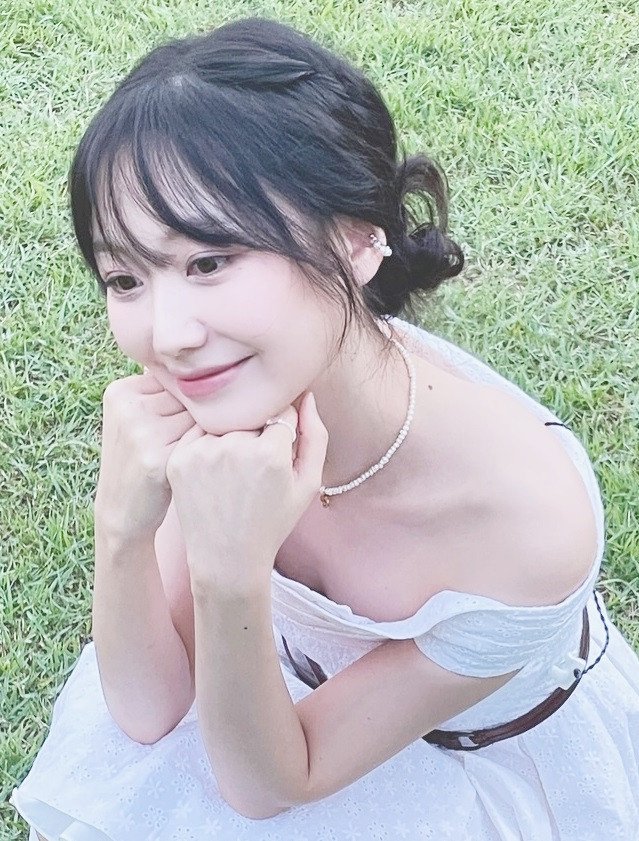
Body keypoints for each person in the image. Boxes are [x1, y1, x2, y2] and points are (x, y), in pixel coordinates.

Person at [10, 16, 639, 841]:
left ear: (356, 238)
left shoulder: (522, 521)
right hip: (260, 706)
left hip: (466, 762)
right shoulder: (235, 395)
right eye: (124, 278)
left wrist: (231, 570)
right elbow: (145, 708)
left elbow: (273, 782)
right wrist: (122, 526)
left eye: (208, 261)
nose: (167, 335)